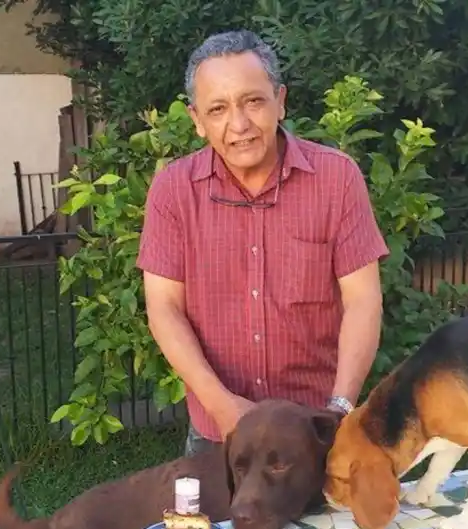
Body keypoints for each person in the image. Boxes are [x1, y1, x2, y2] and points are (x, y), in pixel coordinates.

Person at [136, 30, 389, 457]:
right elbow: (164, 308)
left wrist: (340, 410)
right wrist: (224, 409)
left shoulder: (337, 179)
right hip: (218, 434)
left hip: (316, 429)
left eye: (253, 101)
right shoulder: (173, 191)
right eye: (218, 109)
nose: (239, 125)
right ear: (197, 119)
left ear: (280, 100)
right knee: (209, 527)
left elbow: (363, 300)